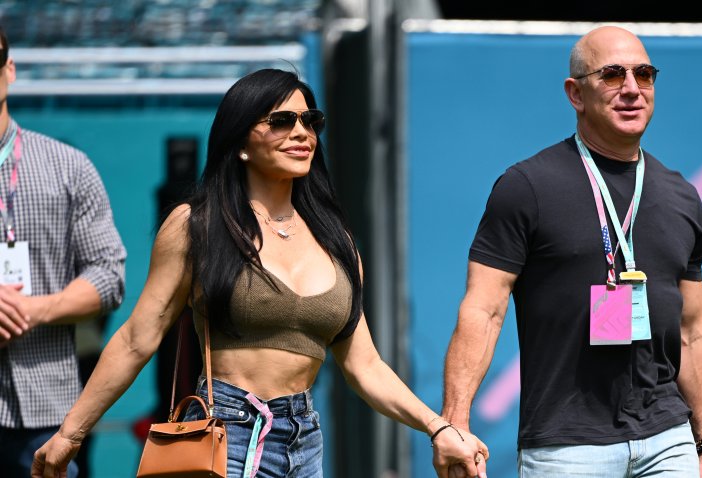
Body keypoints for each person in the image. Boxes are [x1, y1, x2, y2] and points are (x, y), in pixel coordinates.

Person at [32, 68, 488, 478]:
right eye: (282, 121)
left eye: (310, 121)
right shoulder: (197, 225)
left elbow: (364, 366)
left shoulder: (337, 241)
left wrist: (438, 427)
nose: (302, 132)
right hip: (225, 434)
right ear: (241, 141)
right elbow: (138, 338)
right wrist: (71, 433)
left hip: (304, 440)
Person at [440, 26, 702, 477]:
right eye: (612, 75)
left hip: (669, 437)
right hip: (567, 446)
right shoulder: (527, 186)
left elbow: (693, 330)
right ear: (575, 93)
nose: (631, 88)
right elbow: (484, 310)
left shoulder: (680, 194)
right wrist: (454, 424)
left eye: (643, 74)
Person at [0, 25, 126, 478]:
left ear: (9, 69)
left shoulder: (68, 168)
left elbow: (109, 276)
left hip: (46, 408)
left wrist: (32, 310)